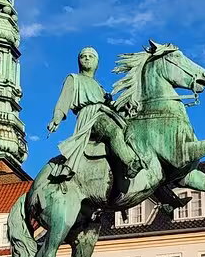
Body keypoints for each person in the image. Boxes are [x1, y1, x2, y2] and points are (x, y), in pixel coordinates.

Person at [47, 47, 145, 181]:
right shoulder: (73, 78)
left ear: (96, 63)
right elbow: (63, 101)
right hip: (90, 116)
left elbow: (112, 107)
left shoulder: (99, 87)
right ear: (79, 61)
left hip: (105, 113)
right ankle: (130, 163)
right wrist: (56, 118)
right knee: (113, 130)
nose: (87, 58)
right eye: (83, 56)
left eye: (90, 56)